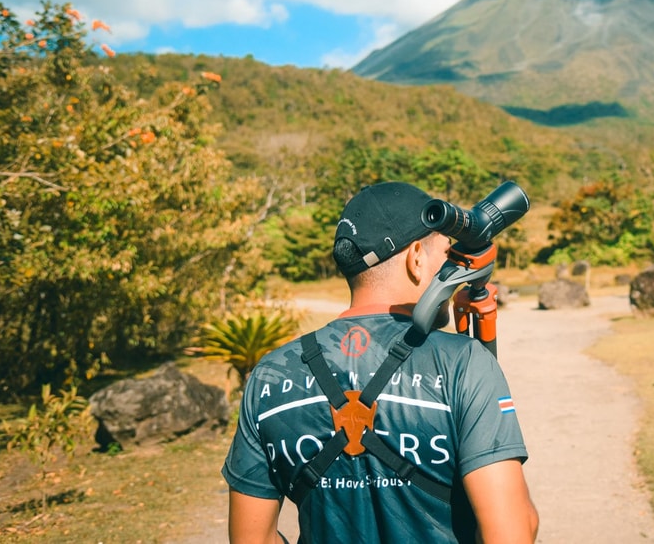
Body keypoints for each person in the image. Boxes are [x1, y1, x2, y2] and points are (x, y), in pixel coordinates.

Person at [222, 182, 538, 543]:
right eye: (445, 254)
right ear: (416, 257)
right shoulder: (463, 363)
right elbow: (513, 533)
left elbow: (251, 539)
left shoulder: (270, 374)